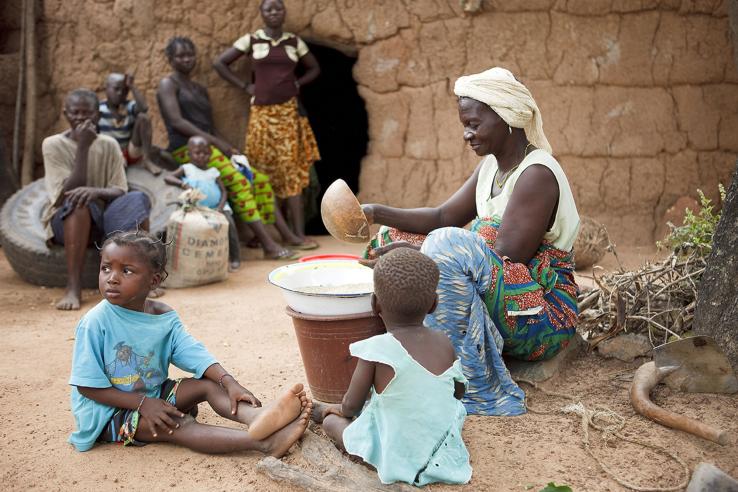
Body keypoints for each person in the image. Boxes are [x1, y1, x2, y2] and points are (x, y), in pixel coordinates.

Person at [359, 67, 581, 416]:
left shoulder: (537, 174)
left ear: (507, 118)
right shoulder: (491, 168)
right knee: (392, 239)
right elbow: (443, 216)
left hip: (541, 314)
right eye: (465, 124)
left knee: (446, 245)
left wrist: (418, 254)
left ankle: (475, 387)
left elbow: (504, 255)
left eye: (474, 124)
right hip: (500, 295)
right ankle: (406, 352)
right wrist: (373, 213)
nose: (467, 134)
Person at [68, 230, 312, 454]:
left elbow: (191, 353)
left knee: (208, 384)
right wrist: (143, 404)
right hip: (108, 414)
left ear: (153, 281)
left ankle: (256, 417)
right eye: (106, 269)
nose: (112, 278)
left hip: (150, 394)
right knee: (176, 424)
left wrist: (229, 381)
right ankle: (264, 443)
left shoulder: (162, 317)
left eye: (126, 271)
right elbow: (87, 387)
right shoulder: (95, 323)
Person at [312, 248, 472, 486]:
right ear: (434, 304)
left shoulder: (375, 350)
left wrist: (330, 410)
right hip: (441, 451)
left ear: (375, 304)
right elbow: (458, 392)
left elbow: (351, 406)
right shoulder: (444, 341)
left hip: (397, 455)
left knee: (332, 423)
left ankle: (329, 419)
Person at [157, 36, 316, 261]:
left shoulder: (199, 89)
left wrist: (229, 148)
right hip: (188, 150)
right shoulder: (168, 84)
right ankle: (269, 245)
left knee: (259, 180)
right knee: (240, 182)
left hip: (210, 147)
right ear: (170, 59)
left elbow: (209, 127)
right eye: (180, 56)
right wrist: (215, 143)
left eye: (190, 55)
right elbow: (177, 122)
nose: (187, 60)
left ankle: (285, 234)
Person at [214, 0, 321, 242]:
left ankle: (299, 234)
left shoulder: (294, 42)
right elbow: (219, 63)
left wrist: (297, 84)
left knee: (291, 171)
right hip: (261, 116)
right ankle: (262, 234)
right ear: (262, 14)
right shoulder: (252, 40)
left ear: (284, 13)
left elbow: (314, 68)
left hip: (287, 115)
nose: (274, 13)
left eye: (278, 9)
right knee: (260, 170)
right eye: (268, 9)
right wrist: (245, 85)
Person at [42, 88, 152, 311]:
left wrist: (95, 192)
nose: (81, 118)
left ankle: (144, 279)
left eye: (88, 113)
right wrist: (83, 147)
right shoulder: (53, 144)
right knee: (79, 203)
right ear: (65, 114)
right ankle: (73, 286)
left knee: (137, 199)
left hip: (104, 221)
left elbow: (119, 189)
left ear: (98, 116)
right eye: (75, 113)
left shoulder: (108, 144)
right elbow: (66, 193)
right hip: (68, 221)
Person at [165, 136, 242, 271]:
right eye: (197, 153)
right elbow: (168, 177)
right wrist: (183, 184)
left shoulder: (214, 172)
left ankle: (235, 258)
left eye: (205, 153)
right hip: (195, 208)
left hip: (218, 207)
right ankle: (193, 263)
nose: (202, 156)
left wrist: (220, 207)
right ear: (189, 154)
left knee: (230, 226)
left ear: (210, 154)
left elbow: (224, 192)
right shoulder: (186, 168)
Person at [99, 72, 162, 175]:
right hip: (110, 152)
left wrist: (132, 86)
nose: (120, 93)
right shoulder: (99, 109)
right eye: (116, 89)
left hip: (130, 151)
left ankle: (146, 160)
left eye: (125, 90)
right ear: (106, 88)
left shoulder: (128, 105)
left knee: (143, 118)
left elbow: (144, 108)